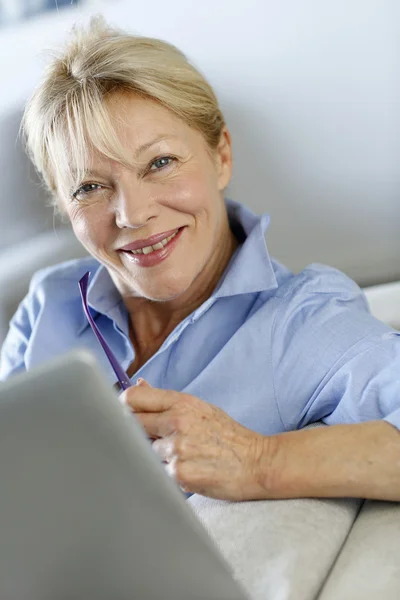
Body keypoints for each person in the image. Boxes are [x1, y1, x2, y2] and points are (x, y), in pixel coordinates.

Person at [1, 17, 400, 502]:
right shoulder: (49, 303)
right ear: (65, 207)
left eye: (160, 163)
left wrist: (257, 461)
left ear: (221, 157)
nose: (133, 214)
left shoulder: (301, 320)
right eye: (89, 187)